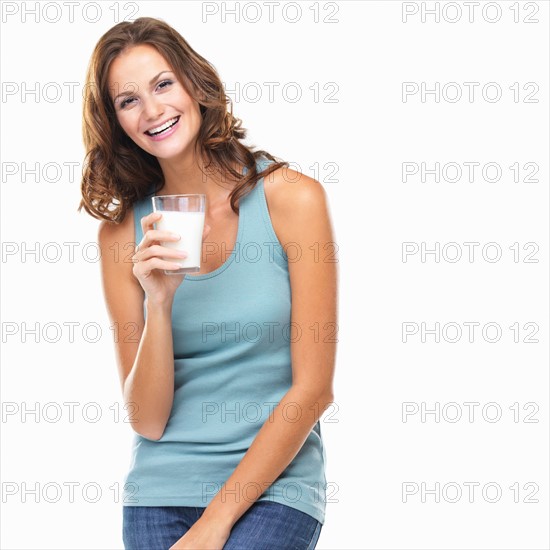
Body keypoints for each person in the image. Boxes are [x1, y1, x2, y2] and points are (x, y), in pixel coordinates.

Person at [79, 16, 337, 550]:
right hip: (160, 491)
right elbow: (147, 421)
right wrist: (159, 302)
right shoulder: (120, 235)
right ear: (116, 121)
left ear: (196, 85)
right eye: (127, 101)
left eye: (162, 84)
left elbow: (313, 390)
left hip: (275, 488)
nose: (152, 111)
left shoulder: (292, 198)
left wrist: (214, 525)